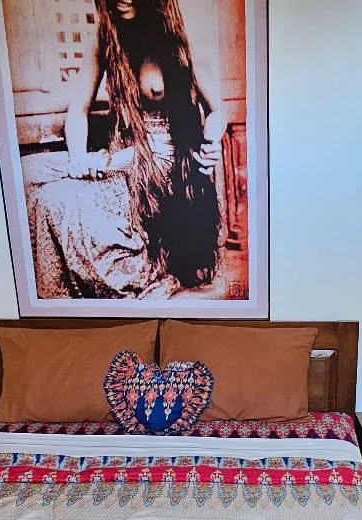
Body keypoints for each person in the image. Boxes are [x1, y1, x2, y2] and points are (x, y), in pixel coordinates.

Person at [28, 0, 226, 299]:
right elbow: (78, 110)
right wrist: (77, 157)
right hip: (124, 155)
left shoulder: (180, 36)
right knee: (29, 176)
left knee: (56, 199)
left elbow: (217, 111)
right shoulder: (107, 37)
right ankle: (55, 314)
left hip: (164, 163)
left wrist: (210, 143)